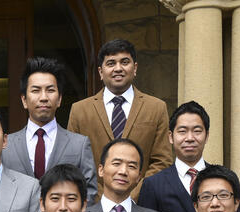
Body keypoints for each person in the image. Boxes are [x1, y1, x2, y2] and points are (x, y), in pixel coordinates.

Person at [68, 39, 173, 200]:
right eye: (111, 63)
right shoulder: (80, 110)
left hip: (141, 204)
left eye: (124, 62)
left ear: (135, 68)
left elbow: (162, 161)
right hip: (94, 206)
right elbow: (74, 162)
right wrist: (104, 198)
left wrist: (133, 194)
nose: (118, 68)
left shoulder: (156, 108)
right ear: (101, 72)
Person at [139, 100, 240, 212]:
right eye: (182, 131)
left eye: (197, 131)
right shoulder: (153, 184)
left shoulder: (227, 179)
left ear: (206, 136)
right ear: (171, 136)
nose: (189, 138)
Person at [2, 57, 97, 201]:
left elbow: (89, 192)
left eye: (50, 90)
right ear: (24, 100)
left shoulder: (80, 144)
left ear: (59, 99)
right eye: (36, 90)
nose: (44, 97)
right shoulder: (5, 145)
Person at [79, 138, 172, 212]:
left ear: (139, 177)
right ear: (101, 170)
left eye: (131, 166)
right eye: (116, 163)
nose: (123, 171)